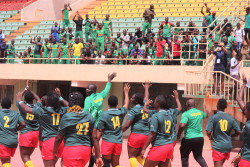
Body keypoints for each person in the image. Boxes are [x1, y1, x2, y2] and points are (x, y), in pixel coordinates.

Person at [16, 88, 68, 167]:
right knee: (53, 164)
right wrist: (60, 97)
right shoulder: (62, 110)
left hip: (49, 141)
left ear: (47, 102)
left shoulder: (43, 111)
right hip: (60, 141)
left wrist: (19, 99)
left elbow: (26, 108)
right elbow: (69, 105)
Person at [53, 92, 103, 167]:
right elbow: (94, 138)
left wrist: (54, 151)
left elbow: (58, 138)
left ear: (70, 103)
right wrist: (98, 156)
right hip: (85, 151)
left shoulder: (67, 116)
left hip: (71, 150)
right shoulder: (89, 116)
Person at [84, 72, 117, 167]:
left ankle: (101, 165)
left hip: (91, 127)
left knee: (91, 148)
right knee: (95, 147)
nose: (86, 90)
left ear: (92, 90)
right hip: (99, 127)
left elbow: (86, 113)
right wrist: (109, 80)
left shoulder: (88, 99)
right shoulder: (100, 96)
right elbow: (107, 90)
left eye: (88, 88)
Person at [97, 83, 130, 167]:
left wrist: (96, 142)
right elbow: (126, 104)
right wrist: (126, 93)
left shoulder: (104, 114)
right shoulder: (121, 112)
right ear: (117, 103)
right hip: (118, 142)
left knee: (106, 163)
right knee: (116, 163)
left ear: (108, 104)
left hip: (107, 141)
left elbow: (100, 130)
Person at [122, 81, 152, 167]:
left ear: (136, 101)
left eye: (132, 98)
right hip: (146, 136)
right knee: (138, 156)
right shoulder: (146, 106)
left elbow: (127, 125)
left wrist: (117, 132)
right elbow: (146, 97)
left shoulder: (134, 110)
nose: (131, 99)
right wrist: (146, 87)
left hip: (136, 135)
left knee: (131, 156)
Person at [140, 95, 174, 167]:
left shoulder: (155, 116)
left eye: (154, 102)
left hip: (159, 146)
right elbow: (171, 132)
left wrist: (144, 149)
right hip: (169, 145)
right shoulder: (170, 115)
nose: (153, 104)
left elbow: (152, 134)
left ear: (158, 103)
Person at [206, 98, 241, 167]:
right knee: (220, 165)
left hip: (218, 146)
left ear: (217, 106)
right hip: (228, 146)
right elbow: (239, 131)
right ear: (226, 107)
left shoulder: (213, 117)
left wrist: (210, 138)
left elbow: (208, 132)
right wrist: (231, 136)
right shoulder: (231, 118)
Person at [16, 81, 42, 167]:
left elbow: (19, 97)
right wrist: (30, 90)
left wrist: (25, 89)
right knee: (28, 157)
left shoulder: (22, 105)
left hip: (26, 133)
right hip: (35, 134)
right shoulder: (38, 106)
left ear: (25, 99)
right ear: (32, 99)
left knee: (24, 156)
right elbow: (38, 99)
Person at [177, 99, 209, 167]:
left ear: (186, 105)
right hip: (200, 138)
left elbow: (182, 125)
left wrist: (178, 134)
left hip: (189, 139)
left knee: (184, 157)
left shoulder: (186, 114)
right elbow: (206, 115)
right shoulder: (199, 112)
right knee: (199, 157)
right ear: (195, 105)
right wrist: (204, 108)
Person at [0, 97, 26, 167]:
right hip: (13, 141)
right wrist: (17, 129)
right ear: (10, 105)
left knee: (5, 161)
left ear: (1, 104)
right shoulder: (15, 113)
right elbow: (23, 124)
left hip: (3, 140)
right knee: (6, 160)